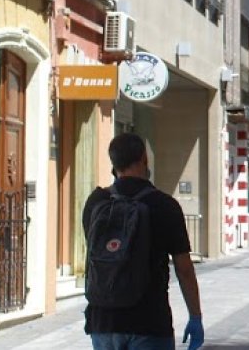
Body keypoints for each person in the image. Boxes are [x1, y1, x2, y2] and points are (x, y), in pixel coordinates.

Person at [82, 132, 204, 350]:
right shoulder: (164, 205)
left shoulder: (96, 202)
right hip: (149, 322)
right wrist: (195, 316)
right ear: (144, 159)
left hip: (102, 322)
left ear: (114, 163)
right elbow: (184, 269)